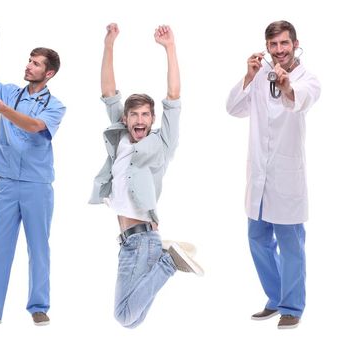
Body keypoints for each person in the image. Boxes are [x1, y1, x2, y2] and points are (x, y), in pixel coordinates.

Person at [89, 23, 202, 329]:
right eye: (134, 115)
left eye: (145, 115)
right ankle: (168, 259)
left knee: (124, 316)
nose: (139, 120)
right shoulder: (120, 136)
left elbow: (174, 97)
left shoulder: (160, 145)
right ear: (125, 119)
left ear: (152, 119)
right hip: (129, 242)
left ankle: (169, 261)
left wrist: (170, 48)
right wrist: (109, 45)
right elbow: (108, 92)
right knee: (133, 320)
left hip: (142, 241)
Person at [0, 23, 66, 330]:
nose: (28, 66)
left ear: (49, 73)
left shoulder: (55, 106)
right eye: (29, 61)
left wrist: (4, 111)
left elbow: (34, 126)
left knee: (38, 248)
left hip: (37, 186)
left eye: (35, 64)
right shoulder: (8, 92)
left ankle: (38, 306)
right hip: (6, 183)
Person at [225, 20, 320, 330]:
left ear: (295, 43)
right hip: (259, 178)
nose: (279, 50)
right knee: (257, 238)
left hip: (286, 178)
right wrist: (249, 76)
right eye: (273, 45)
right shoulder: (259, 76)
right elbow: (233, 109)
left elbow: (300, 99)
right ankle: (276, 298)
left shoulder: (309, 79)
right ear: (267, 47)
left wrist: (286, 85)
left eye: (284, 43)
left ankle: (292, 306)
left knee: (291, 244)